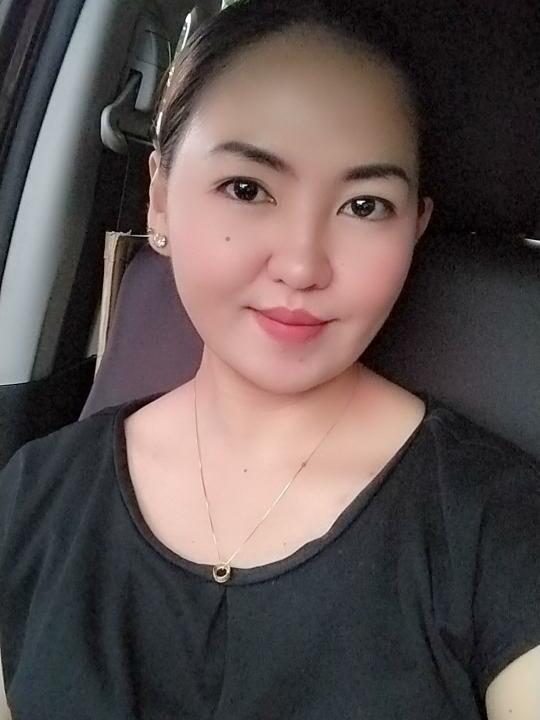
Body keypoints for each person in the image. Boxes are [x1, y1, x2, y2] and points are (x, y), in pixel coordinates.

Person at [1, 0, 540, 717]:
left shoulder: (500, 524)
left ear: (416, 227)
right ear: (159, 199)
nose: (301, 265)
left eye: (365, 205)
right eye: (247, 189)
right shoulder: (35, 494)